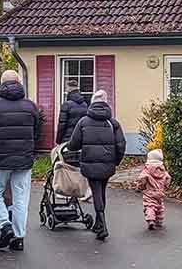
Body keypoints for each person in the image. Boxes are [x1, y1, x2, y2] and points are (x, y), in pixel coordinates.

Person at [0, 70, 40, 252]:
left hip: (0, 157)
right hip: (24, 158)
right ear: (19, 82)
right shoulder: (30, 106)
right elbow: (36, 131)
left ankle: (5, 225)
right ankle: (19, 238)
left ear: (1, 82)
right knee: (21, 197)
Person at [66, 90, 125, 241]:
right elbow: (121, 145)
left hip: (90, 163)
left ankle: (102, 225)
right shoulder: (113, 123)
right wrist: (116, 161)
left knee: (96, 190)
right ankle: (99, 224)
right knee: (101, 190)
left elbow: (73, 145)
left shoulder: (84, 122)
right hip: (107, 164)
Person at [135, 148, 172, 230]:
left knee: (150, 206)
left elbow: (142, 179)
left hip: (149, 193)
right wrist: (165, 187)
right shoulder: (163, 170)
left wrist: (140, 187)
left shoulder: (147, 170)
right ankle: (159, 221)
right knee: (159, 206)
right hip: (160, 192)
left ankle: (151, 220)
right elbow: (168, 178)